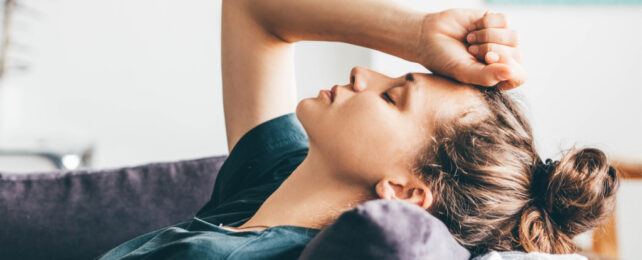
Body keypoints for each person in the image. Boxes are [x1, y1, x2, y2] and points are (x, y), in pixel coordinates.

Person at [98, 0, 618, 259]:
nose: (362, 73)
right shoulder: (277, 182)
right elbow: (253, 11)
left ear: (405, 192)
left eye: (393, 96)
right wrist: (415, 35)